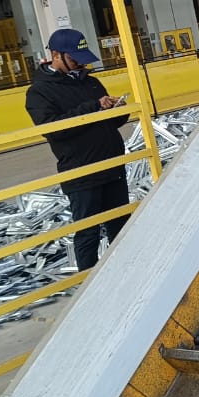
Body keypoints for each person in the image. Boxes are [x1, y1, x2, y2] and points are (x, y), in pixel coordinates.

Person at [26, 28, 131, 271]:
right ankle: (87, 280)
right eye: (75, 60)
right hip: (81, 173)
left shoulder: (91, 83)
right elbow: (53, 129)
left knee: (121, 227)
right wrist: (92, 107)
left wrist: (117, 110)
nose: (80, 65)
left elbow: (109, 122)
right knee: (88, 233)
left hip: (112, 167)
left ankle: (126, 273)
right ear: (56, 55)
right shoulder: (39, 92)